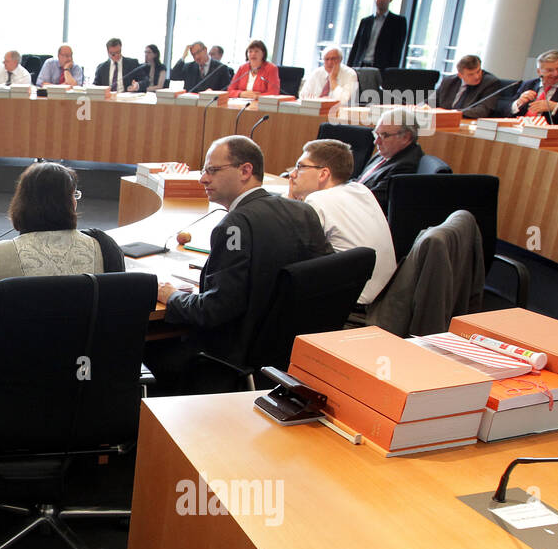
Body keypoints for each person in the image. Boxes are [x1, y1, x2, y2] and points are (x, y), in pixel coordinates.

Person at [154, 136, 331, 390]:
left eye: (212, 171)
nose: (203, 179)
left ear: (245, 171)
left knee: (143, 348)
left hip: (230, 359)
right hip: (290, 357)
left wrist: (171, 296)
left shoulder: (234, 225)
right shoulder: (302, 211)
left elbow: (213, 311)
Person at [0, 161, 125, 332]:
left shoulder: (3, 254)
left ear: (21, 203)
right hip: (87, 356)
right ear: (71, 203)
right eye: (73, 195)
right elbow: (118, 310)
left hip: (22, 357)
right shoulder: (102, 247)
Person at [286, 139, 397, 306]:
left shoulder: (317, 201)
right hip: (386, 298)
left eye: (300, 167)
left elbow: (286, 246)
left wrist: (289, 202)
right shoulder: (361, 190)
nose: (292, 174)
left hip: (351, 303)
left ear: (323, 174)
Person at [352, 108, 424, 211]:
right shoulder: (385, 153)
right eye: (376, 134)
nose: (376, 142)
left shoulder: (406, 166)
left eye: (384, 135)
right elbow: (360, 180)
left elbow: (373, 200)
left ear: (406, 138)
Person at [507, 49, 558, 125]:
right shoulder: (528, 84)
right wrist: (518, 103)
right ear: (539, 71)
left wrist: (555, 107)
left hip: (551, 135)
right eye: (550, 70)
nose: (556, 74)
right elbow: (505, 111)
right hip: (519, 129)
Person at [347, 0, 407, 69]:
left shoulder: (398, 22)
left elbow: (397, 50)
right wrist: (349, 66)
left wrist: (391, 71)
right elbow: (356, 46)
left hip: (381, 68)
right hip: (360, 65)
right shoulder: (365, 21)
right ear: (375, 0)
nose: (382, 0)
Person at [435, 54, 503, 119]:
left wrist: (452, 113)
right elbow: (430, 101)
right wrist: (426, 107)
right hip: (443, 121)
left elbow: (483, 110)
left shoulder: (490, 83)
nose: (477, 76)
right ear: (460, 75)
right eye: (471, 74)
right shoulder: (448, 81)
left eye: (478, 71)